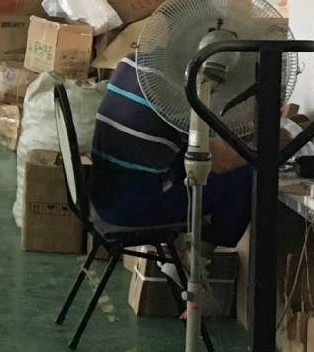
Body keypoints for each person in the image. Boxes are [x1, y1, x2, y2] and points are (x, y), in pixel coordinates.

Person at [89, 52, 253, 261]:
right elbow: (221, 164)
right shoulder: (175, 92)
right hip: (131, 206)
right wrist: (266, 149)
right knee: (248, 176)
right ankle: (194, 260)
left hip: (102, 195)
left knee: (184, 155)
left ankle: (178, 252)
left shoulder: (131, 61)